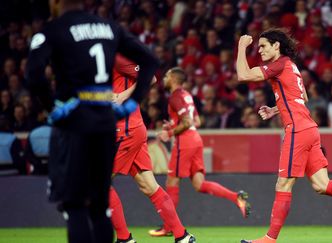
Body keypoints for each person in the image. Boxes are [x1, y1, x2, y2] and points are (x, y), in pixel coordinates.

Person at [235, 28, 332, 243]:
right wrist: (275, 108)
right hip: (310, 129)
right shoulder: (291, 66)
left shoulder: (279, 64)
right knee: (322, 185)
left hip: (297, 130)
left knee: (283, 185)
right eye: (257, 46)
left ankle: (270, 239)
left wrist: (242, 46)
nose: (259, 50)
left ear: (276, 46)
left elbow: (243, 75)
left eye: (263, 46)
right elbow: (303, 96)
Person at [25, 0, 158, 242]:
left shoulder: (53, 30)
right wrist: (132, 102)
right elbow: (150, 61)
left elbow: (33, 75)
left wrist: (53, 107)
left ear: (55, 3)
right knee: (100, 207)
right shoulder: (109, 28)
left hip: (75, 125)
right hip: (105, 125)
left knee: (75, 205)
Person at [150, 67, 251, 237]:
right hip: (195, 139)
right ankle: (236, 197)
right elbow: (197, 120)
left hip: (185, 143)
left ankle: (168, 227)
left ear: (174, 79)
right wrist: (175, 126)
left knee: (172, 182)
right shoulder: (187, 95)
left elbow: (189, 121)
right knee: (199, 185)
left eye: (167, 76)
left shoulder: (175, 96)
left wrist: (169, 132)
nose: (165, 78)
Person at [109, 55, 196, 243]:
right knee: (149, 186)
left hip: (125, 129)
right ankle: (182, 236)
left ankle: (124, 239)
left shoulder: (115, 57)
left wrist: (124, 95)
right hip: (130, 128)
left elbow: (150, 77)